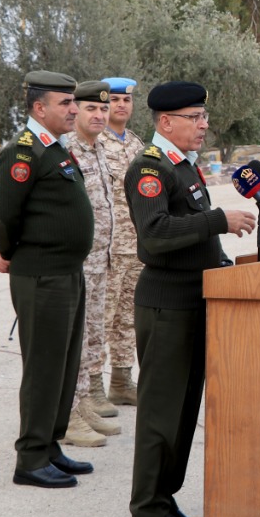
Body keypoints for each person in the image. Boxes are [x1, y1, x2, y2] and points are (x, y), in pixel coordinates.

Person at [124, 82, 256, 517]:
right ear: (165, 123)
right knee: (160, 415)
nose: (203, 125)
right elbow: (155, 235)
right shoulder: (150, 169)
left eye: (204, 116)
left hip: (198, 300)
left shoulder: (184, 166)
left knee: (182, 414)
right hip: (166, 306)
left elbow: (196, 237)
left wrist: (222, 264)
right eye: (194, 117)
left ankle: (165, 500)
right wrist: (218, 220)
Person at [0, 70, 95, 488]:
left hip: (67, 272)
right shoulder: (23, 153)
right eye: (65, 103)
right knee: (44, 367)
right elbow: (4, 219)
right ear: (39, 108)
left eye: (74, 102)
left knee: (65, 365)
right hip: (42, 276)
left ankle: (50, 445)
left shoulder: (57, 149)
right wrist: (13, 255)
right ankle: (30, 458)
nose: (74, 109)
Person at [61, 80, 122, 448]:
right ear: (75, 112)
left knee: (91, 339)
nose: (100, 115)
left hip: (101, 262)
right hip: (78, 263)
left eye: (103, 109)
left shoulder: (98, 149)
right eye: (91, 109)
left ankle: (82, 404)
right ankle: (67, 415)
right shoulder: (66, 149)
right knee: (73, 342)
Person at [100, 77, 145, 408]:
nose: (121, 106)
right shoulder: (92, 142)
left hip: (136, 245)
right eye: (114, 100)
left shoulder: (136, 143)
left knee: (128, 317)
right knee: (101, 318)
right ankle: (90, 388)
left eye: (126, 100)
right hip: (107, 247)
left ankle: (121, 380)